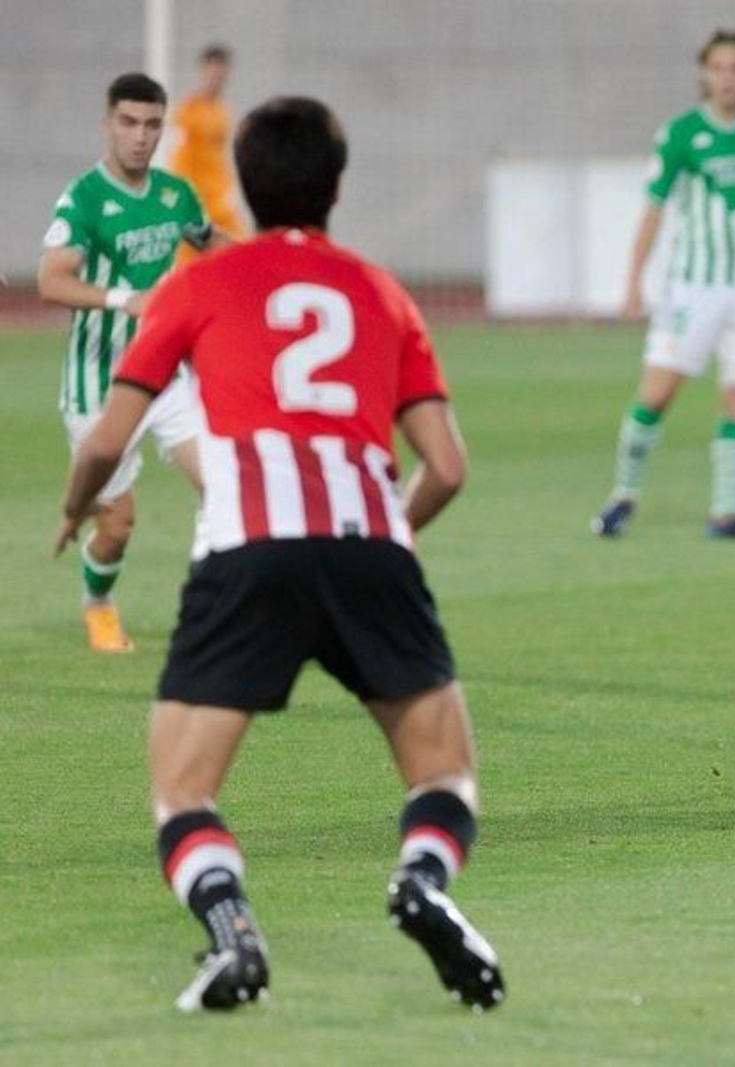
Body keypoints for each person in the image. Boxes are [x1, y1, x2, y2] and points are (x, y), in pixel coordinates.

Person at [52, 96, 504, 1011]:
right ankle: (422, 882)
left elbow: (106, 442)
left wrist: (72, 508)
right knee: (444, 774)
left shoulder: (196, 284)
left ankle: (232, 931)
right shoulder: (380, 289)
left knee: (182, 791)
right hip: (367, 542)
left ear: (244, 189)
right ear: (337, 186)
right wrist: (387, 535)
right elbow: (448, 465)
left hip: (246, 548)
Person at [593, 29, 735, 540]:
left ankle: (727, 514)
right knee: (657, 394)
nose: (728, 77)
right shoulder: (682, 134)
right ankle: (622, 495)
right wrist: (632, 282)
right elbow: (654, 207)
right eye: (718, 68)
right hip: (692, 287)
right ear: (704, 74)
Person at [38, 72, 219, 652]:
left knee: (224, 485)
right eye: (128, 122)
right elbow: (50, 280)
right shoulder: (83, 198)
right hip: (99, 386)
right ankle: (98, 602)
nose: (140, 136)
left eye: (151, 125)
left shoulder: (175, 195)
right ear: (107, 124)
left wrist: (281, 257)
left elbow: (212, 243)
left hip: (164, 376)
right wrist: (124, 298)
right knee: (116, 528)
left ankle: (213, 608)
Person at [169, 44, 248, 254]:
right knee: (190, 263)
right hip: (196, 203)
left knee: (239, 253)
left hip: (220, 203)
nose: (216, 77)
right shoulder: (187, 113)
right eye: (212, 70)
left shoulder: (223, 112)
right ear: (202, 71)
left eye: (221, 71)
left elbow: (221, 159)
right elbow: (178, 157)